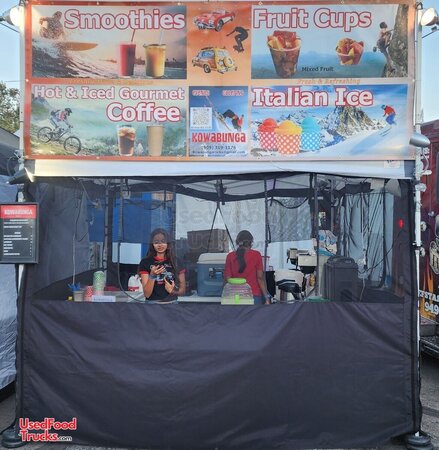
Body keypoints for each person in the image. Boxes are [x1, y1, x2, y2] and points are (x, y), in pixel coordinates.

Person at [139, 228, 186, 303]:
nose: (160, 245)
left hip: (172, 304)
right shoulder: (145, 262)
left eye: (163, 241)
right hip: (152, 305)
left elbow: (182, 291)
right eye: (156, 242)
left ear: (168, 243)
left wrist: (172, 291)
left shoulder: (176, 261)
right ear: (152, 244)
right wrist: (152, 275)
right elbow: (147, 294)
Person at [224, 230, 270, 305]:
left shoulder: (230, 256)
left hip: (235, 297)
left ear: (237, 242)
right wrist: (266, 298)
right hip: (253, 296)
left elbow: (227, 279)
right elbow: (260, 278)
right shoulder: (256, 255)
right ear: (251, 242)